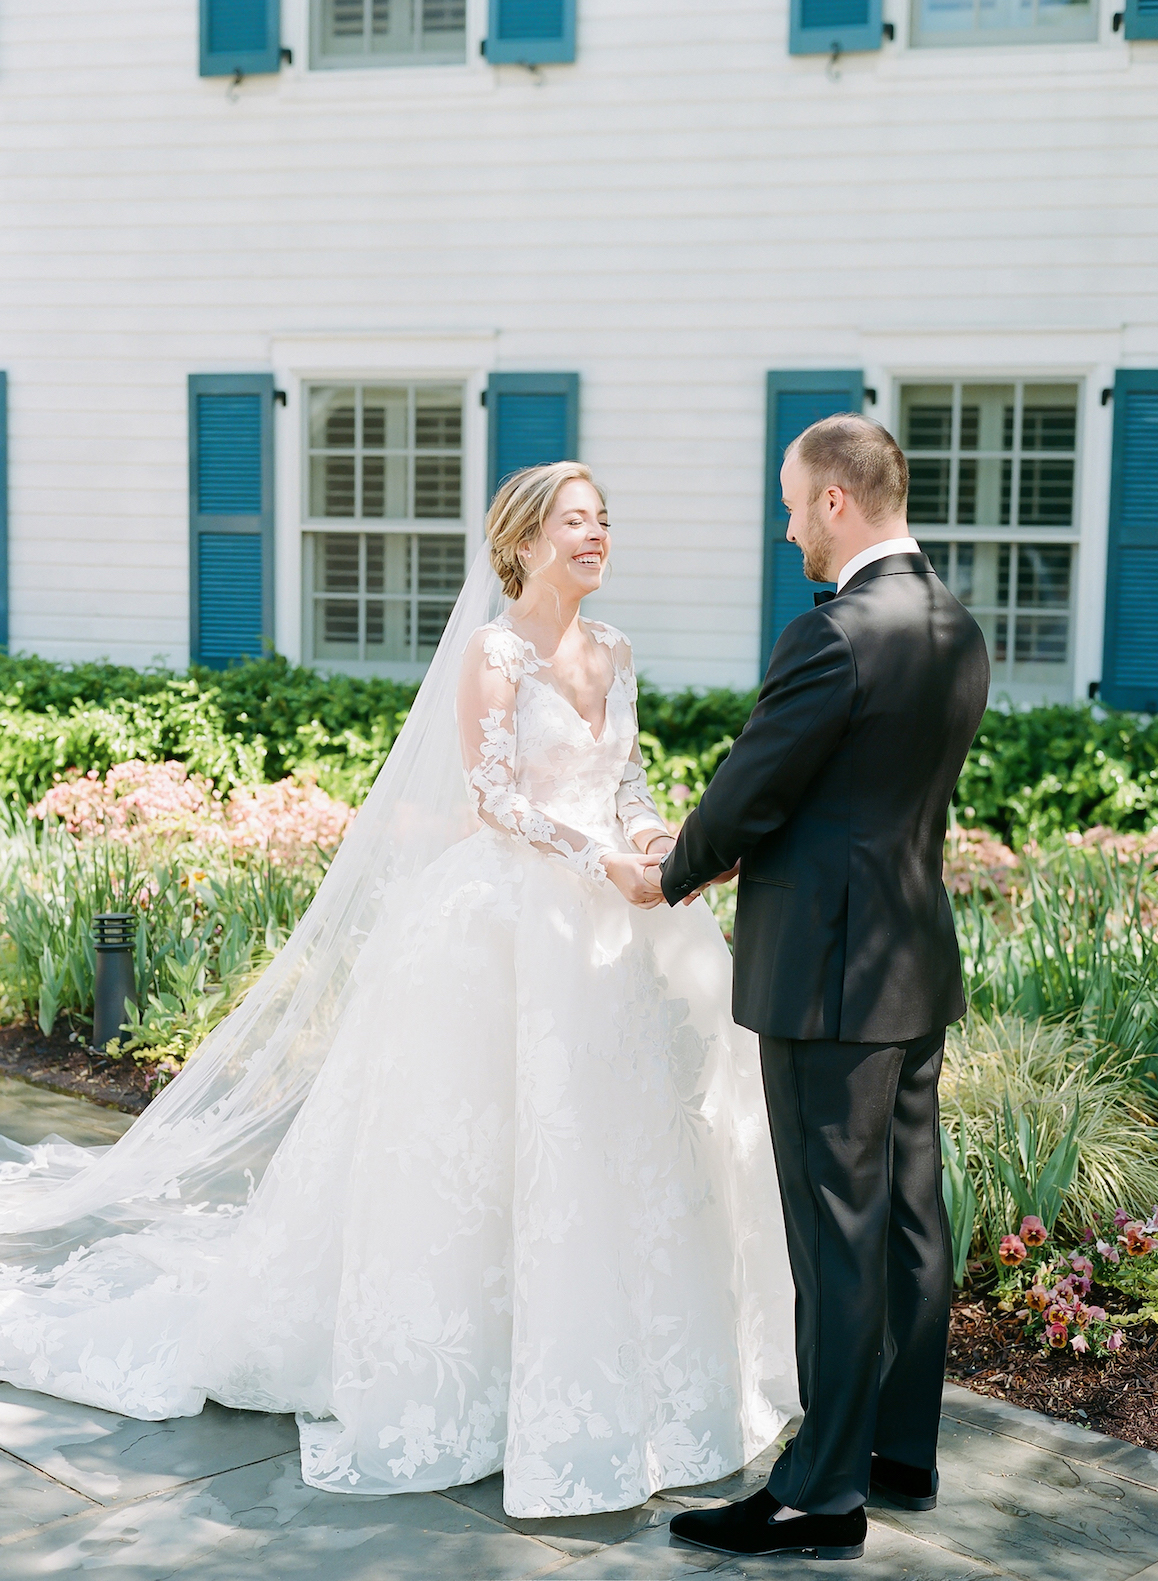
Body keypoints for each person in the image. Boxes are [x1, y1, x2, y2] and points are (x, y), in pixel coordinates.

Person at [0, 462, 798, 1519]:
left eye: (604, 520)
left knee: (618, 1146)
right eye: (575, 521)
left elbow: (630, 779)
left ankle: (619, 1364)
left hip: (619, 925)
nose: (597, 535)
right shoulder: (494, 653)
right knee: (496, 1139)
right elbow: (495, 800)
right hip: (516, 921)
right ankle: (477, 1365)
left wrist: (654, 840)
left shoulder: (615, 650)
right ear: (523, 541)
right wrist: (603, 862)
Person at [653, 415, 989, 1561]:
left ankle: (820, 1497)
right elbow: (858, 788)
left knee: (834, 1235)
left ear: (838, 501)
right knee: (905, 1220)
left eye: (793, 501)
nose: (786, 521)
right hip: (912, 961)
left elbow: (756, 786)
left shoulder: (833, 634)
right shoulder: (954, 623)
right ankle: (899, 1450)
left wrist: (669, 871)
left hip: (830, 979)